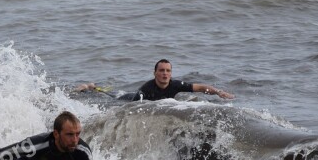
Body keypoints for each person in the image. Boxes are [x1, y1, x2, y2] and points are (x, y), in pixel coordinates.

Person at [76, 59, 235, 101]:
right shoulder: (146, 89)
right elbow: (132, 109)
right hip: (129, 98)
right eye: (161, 71)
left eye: (168, 71)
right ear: (155, 73)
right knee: (110, 96)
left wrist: (219, 92)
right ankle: (89, 88)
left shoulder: (176, 85)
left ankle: (95, 86)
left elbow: (200, 87)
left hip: (136, 95)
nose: (165, 74)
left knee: (110, 92)